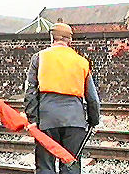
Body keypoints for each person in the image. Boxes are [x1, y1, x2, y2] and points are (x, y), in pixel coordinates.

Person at [24, 22, 100, 174]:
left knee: (45, 167)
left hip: (47, 119)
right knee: (70, 165)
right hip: (75, 121)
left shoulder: (39, 58)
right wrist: (93, 120)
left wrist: (33, 119)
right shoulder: (81, 62)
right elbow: (93, 98)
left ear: (52, 38)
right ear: (70, 41)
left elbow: (30, 92)